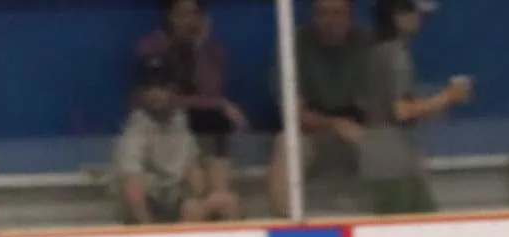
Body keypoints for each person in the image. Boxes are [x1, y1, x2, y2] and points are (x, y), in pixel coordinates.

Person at [360, 0, 473, 216]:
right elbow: (401, 110)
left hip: (386, 157)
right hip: (391, 161)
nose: (420, 20)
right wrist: (448, 96)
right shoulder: (395, 55)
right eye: (414, 13)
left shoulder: (376, 52)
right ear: (398, 17)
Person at [271, 0, 374, 217]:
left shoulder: (367, 44)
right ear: (313, 16)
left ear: (350, 16)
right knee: (287, 146)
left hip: (362, 131)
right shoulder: (295, 45)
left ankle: (398, 222)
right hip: (312, 132)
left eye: (338, 13)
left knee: (391, 145)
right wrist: (334, 125)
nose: (330, 21)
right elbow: (292, 110)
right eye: (323, 13)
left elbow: (383, 103)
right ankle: (287, 223)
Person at [116, 54, 239, 222]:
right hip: (152, 211)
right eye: (149, 87)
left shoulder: (180, 120)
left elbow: (192, 170)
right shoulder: (135, 129)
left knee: (227, 202)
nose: (156, 93)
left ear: (173, 89)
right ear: (140, 92)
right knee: (192, 210)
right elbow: (132, 186)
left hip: (180, 201)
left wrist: (200, 194)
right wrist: (148, 232)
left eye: (162, 86)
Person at [135, 0, 246, 165]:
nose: (190, 21)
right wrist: (219, 104)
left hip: (200, 119)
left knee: (216, 120)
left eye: (195, 14)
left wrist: (198, 48)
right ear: (169, 17)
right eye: (182, 14)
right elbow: (160, 101)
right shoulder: (152, 47)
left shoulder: (214, 51)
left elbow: (210, 90)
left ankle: (217, 174)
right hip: (163, 120)